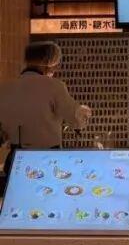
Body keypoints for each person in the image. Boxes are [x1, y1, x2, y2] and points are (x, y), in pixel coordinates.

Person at [0, 42, 91, 175]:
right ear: (48, 61)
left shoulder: (5, 88)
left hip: (15, 160)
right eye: (56, 62)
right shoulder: (54, 86)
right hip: (47, 159)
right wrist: (83, 111)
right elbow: (76, 120)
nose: (56, 67)